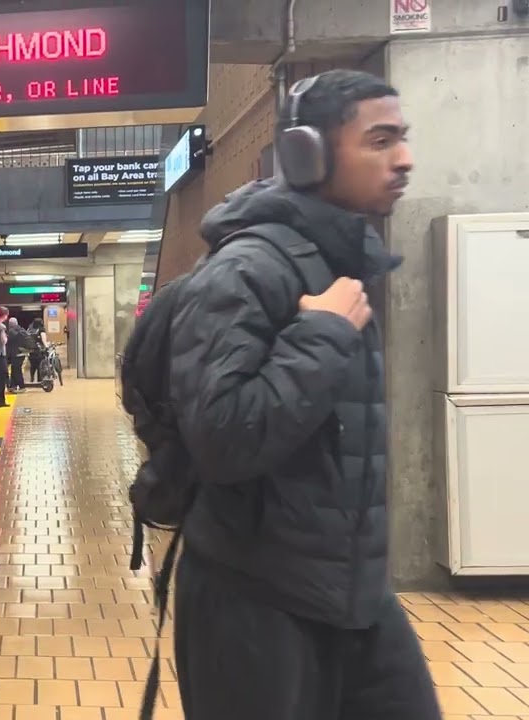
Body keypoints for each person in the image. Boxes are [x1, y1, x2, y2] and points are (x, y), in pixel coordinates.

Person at [166, 70, 437, 719]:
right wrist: (320, 334)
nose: (404, 159)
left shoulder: (341, 262)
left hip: (350, 591)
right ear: (307, 154)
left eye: (402, 138)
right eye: (380, 140)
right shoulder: (244, 272)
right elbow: (222, 439)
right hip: (254, 600)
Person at [5, 316, 27, 391]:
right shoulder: (21, 329)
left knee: (17, 371)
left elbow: (7, 343)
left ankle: (22, 387)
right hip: (22, 353)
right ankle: (12, 386)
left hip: (16, 354)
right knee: (14, 370)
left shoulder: (11, 332)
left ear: (10, 324)